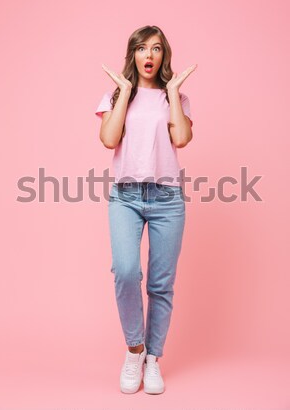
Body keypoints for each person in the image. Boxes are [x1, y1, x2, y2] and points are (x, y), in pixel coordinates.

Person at [95, 25, 197, 394]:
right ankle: (134, 350)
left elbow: (181, 139)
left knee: (160, 284)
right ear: (133, 55)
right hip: (125, 197)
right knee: (125, 271)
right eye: (141, 48)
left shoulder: (177, 98)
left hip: (167, 199)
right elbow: (109, 139)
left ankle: (154, 359)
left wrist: (171, 93)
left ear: (163, 55)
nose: (148, 55)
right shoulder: (114, 95)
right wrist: (124, 91)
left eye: (155, 48)